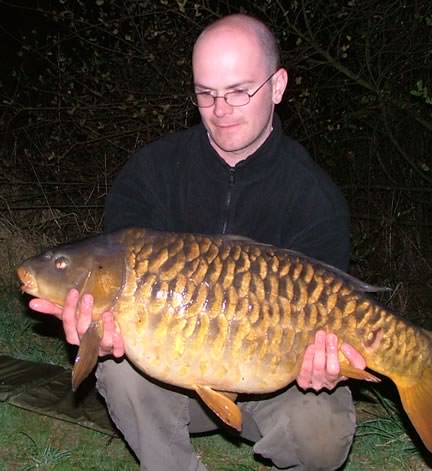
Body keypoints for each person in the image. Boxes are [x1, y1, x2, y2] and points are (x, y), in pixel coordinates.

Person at [30, 13, 366, 471]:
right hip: (170, 388)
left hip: (273, 385)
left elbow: (330, 314)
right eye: (206, 93)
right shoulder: (151, 173)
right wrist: (94, 334)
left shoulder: (314, 199)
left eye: (238, 91)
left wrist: (324, 364)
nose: (220, 109)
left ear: (278, 85)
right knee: (119, 370)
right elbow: (110, 278)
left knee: (323, 433)